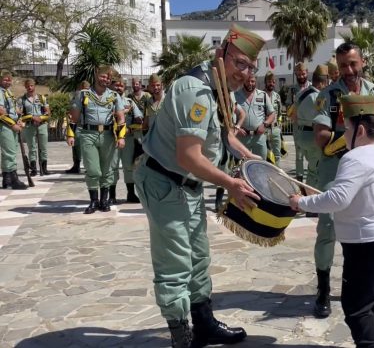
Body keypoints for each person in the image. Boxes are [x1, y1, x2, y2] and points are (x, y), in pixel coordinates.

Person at [133, 23, 264, 347]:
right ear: (221, 55)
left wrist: (252, 161)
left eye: (250, 67)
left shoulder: (219, 88)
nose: (244, 73)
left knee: (199, 258)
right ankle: (181, 336)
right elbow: (189, 156)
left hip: (187, 185)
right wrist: (231, 184)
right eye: (239, 63)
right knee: (175, 264)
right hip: (166, 182)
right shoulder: (196, 90)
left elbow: (226, 135)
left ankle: (203, 324)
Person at [290, 94, 374, 348]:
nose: (344, 136)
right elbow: (353, 196)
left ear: (360, 130)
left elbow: (338, 199)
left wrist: (302, 203)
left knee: (356, 307)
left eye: (348, 129)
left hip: (369, 247)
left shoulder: (355, 157)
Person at [312, 42, 374, 319]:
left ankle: (360, 285)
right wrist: (356, 143)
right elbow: (321, 137)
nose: (349, 70)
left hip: (368, 170)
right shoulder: (329, 96)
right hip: (336, 168)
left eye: (353, 63)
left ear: (362, 62)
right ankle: (322, 290)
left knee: (366, 226)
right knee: (329, 228)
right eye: (343, 65)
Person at [69, 66, 126, 213]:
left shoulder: (114, 96)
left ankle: (104, 201)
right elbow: (74, 117)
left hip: (108, 135)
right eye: (103, 76)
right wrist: (70, 135)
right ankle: (93, 201)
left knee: (107, 170)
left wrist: (121, 137)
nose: (105, 79)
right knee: (93, 169)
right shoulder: (83, 94)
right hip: (89, 134)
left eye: (108, 78)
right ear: (96, 75)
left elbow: (120, 118)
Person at [296, 64, 329, 217]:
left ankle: (310, 203)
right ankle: (310, 206)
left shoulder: (303, 93)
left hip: (302, 134)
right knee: (314, 171)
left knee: (312, 168)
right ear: (322, 82)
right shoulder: (317, 97)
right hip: (312, 136)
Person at [109, 74, 144, 203]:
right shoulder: (106, 101)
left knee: (129, 166)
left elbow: (139, 120)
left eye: (121, 85)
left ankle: (131, 194)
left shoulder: (130, 102)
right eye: (116, 85)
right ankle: (111, 196)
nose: (118, 87)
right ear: (111, 86)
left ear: (124, 88)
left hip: (128, 139)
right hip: (111, 139)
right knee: (112, 167)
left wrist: (132, 127)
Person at [233, 73, 275, 160]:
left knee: (261, 164)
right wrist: (236, 128)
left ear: (256, 81)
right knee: (241, 165)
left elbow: (272, 114)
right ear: (243, 81)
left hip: (259, 137)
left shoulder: (263, 95)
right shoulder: (235, 95)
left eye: (252, 81)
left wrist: (265, 124)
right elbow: (228, 115)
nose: (250, 83)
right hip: (241, 138)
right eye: (248, 81)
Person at [0, 70, 28, 190]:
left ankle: (7, 179)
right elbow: (1, 111)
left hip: (11, 124)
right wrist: (13, 125)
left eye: (9, 79)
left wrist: (19, 120)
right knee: (10, 152)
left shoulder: (7, 92)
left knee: (8, 153)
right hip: (5, 125)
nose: (8, 81)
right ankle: (13, 179)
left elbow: (13, 110)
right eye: (5, 79)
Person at [19, 78, 51, 176]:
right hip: (29, 125)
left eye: (31, 85)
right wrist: (31, 117)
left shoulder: (41, 97)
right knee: (31, 147)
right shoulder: (22, 99)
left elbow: (48, 112)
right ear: (25, 87)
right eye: (28, 86)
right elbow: (20, 114)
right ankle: (33, 169)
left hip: (41, 124)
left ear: (34, 86)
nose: (30, 87)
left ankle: (44, 168)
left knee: (43, 147)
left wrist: (40, 118)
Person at [287, 62, 312, 181]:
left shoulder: (312, 88)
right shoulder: (292, 90)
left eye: (303, 74)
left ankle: (313, 179)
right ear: (295, 74)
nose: (301, 76)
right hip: (298, 127)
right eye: (299, 74)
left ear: (307, 72)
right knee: (299, 156)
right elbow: (288, 107)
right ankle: (300, 181)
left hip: (311, 127)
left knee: (312, 155)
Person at [66, 80, 91, 174]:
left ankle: (88, 166)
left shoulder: (92, 97)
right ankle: (76, 165)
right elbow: (72, 109)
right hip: (78, 124)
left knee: (87, 147)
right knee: (76, 146)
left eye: (87, 89)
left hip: (87, 125)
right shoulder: (76, 97)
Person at [264, 72, 284, 165]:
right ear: (265, 82)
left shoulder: (277, 96)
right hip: (265, 129)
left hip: (275, 129)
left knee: (277, 154)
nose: (271, 83)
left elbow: (280, 112)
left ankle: (278, 174)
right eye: (269, 81)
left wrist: (279, 124)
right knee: (265, 154)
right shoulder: (261, 95)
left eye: (273, 81)